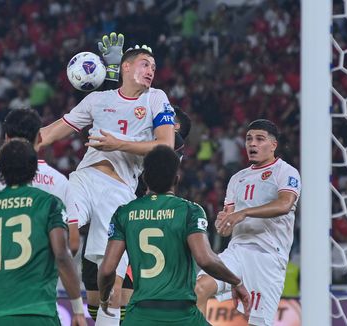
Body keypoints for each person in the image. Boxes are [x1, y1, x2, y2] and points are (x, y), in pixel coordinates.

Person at [38, 42, 175, 325]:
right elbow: (48, 133)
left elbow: (166, 145)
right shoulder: (97, 101)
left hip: (121, 193)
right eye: (145, 64)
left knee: (111, 281)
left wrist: (118, 145)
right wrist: (4, 151)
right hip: (84, 179)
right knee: (63, 236)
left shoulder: (155, 98)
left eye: (154, 67)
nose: (151, 71)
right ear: (125, 66)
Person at [97, 145, 250, 325]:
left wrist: (104, 297)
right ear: (176, 179)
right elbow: (205, 259)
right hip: (182, 314)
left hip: (140, 314)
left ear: (144, 178)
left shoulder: (124, 213)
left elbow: (107, 270)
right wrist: (236, 282)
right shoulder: (190, 211)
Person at [0, 139, 86, 326]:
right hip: (37, 312)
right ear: (34, 170)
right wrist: (77, 308)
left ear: (0, 173)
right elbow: (62, 254)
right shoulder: (48, 203)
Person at [195, 119, 302, 326]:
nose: (252, 144)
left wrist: (243, 214)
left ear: (273, 145)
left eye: (259, 139)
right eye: (248, 139)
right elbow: (227, 225)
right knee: (199, 289)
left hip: (268, 257)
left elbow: (285, 204)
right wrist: (223, 224)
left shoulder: (286, 171)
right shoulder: (237, 178)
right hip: (237, 252)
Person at [0, 108, 77, 255]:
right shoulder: (60, 181)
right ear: (40, 139)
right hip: (47, 273)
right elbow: (74, 243)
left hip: (5, 271)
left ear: (6, 138)